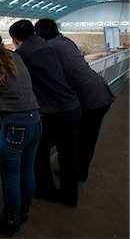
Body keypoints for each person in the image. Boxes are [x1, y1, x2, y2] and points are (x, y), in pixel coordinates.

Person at [9, 20, 81, 207]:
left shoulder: (23, 53)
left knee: (37, 150)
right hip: (72, 106)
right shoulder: (47, 45)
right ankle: (70, 196)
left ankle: (46, 191)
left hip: (53, 111)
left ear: (16, 39)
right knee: (68, 154)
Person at [0, 30, 41, 235]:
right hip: (35, 121)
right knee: (27, 170)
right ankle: (24, 212)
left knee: (11, 177)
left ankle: (11, 221)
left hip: (14, 125)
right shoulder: (16, 55)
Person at [34, 18, 114, 181]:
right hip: (100, 93)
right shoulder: (65, 41)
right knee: (86, 138)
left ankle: (76, 174)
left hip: (91, 100)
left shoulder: (50, 47)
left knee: (82, 138)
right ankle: (78, 172)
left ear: (40, 35)